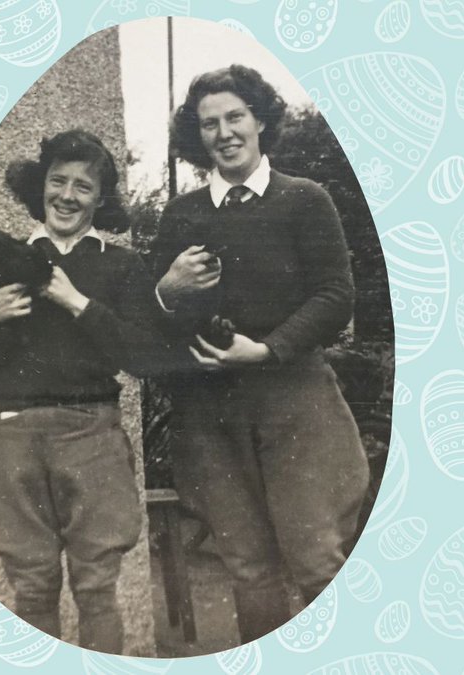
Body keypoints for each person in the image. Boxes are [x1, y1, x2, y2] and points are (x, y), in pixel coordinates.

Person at [151, 64, 371, 643]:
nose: (223, 132)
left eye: (234, 117)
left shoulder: (305, 200)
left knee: (318, 561)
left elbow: (335, 296)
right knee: (248, 570)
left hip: (296, 404)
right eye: (208, 124)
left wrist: (267, 349)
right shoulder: (182, 216)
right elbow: (148, 325)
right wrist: (166, 292)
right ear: (195, 137)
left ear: (260, 121)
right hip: (210, 418)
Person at [0, 129, 171, 654]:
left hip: (93, 434)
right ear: (38, 188)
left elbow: (145, 356)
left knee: (96, 589)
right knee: (33, 587)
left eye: (83, 186)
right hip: (13, 435)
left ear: (100, 198)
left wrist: (76, 302)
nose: (67, 195)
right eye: (57, 181)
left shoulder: (122, 265)